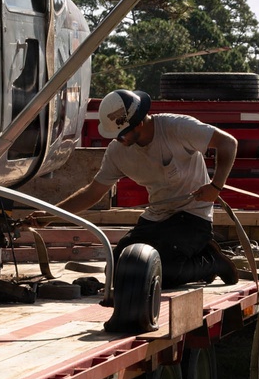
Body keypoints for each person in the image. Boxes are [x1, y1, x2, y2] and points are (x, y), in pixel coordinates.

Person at [57, 88, 239, 288]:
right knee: (118, 271)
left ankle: (212, 262)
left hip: (192, 217)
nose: (118, 140)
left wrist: (215, 186)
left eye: (121, 135)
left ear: (139, 122)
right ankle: (192, 259)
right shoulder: (117, 152)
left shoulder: (176, 128)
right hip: (156, 218)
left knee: (161, 273)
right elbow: (93, 192)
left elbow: (228, 143)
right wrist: (50, 215)